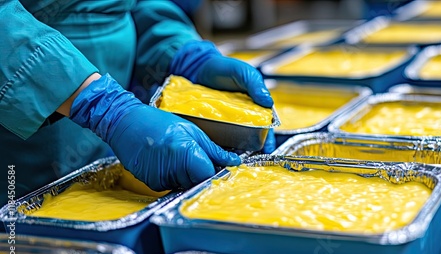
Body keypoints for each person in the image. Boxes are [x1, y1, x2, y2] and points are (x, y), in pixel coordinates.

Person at [0, 0, 274, 206]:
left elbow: (128, 5)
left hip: (111, 140)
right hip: (21, 141)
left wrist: (178, 51)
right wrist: (101, 104)